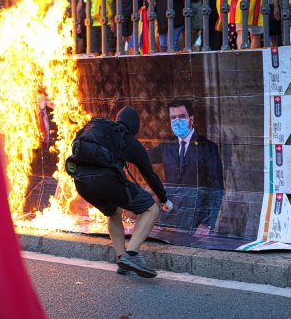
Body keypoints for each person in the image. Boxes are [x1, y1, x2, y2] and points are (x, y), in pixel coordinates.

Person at [70, 107, 169, 278]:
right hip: (105, 180)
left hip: (81, 181)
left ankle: (121, 259)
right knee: (151, 209)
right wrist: (163, 198)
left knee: (114, 211)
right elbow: (149, 174)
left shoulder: (100, 128)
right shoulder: (128, 140)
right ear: (134, 127)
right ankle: (131, 255)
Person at [148, 99, 224, 235]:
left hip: (195, 219)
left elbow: (216, 189)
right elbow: (144, 157)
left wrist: (207, 223)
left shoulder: (208, 148)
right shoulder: (167, 144)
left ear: (191, 119)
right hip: (169, 217)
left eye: (182, 116)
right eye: (173, 117)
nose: (177, 121)